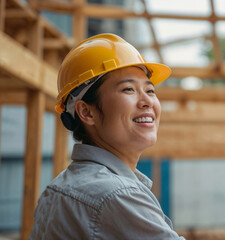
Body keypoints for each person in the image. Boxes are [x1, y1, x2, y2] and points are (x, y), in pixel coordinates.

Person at [30, 33, 185, 239]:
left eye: (150, 90)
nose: (147, 101)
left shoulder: (57, 188)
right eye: (129, 89)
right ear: (87, 112)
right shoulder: (116, 195)